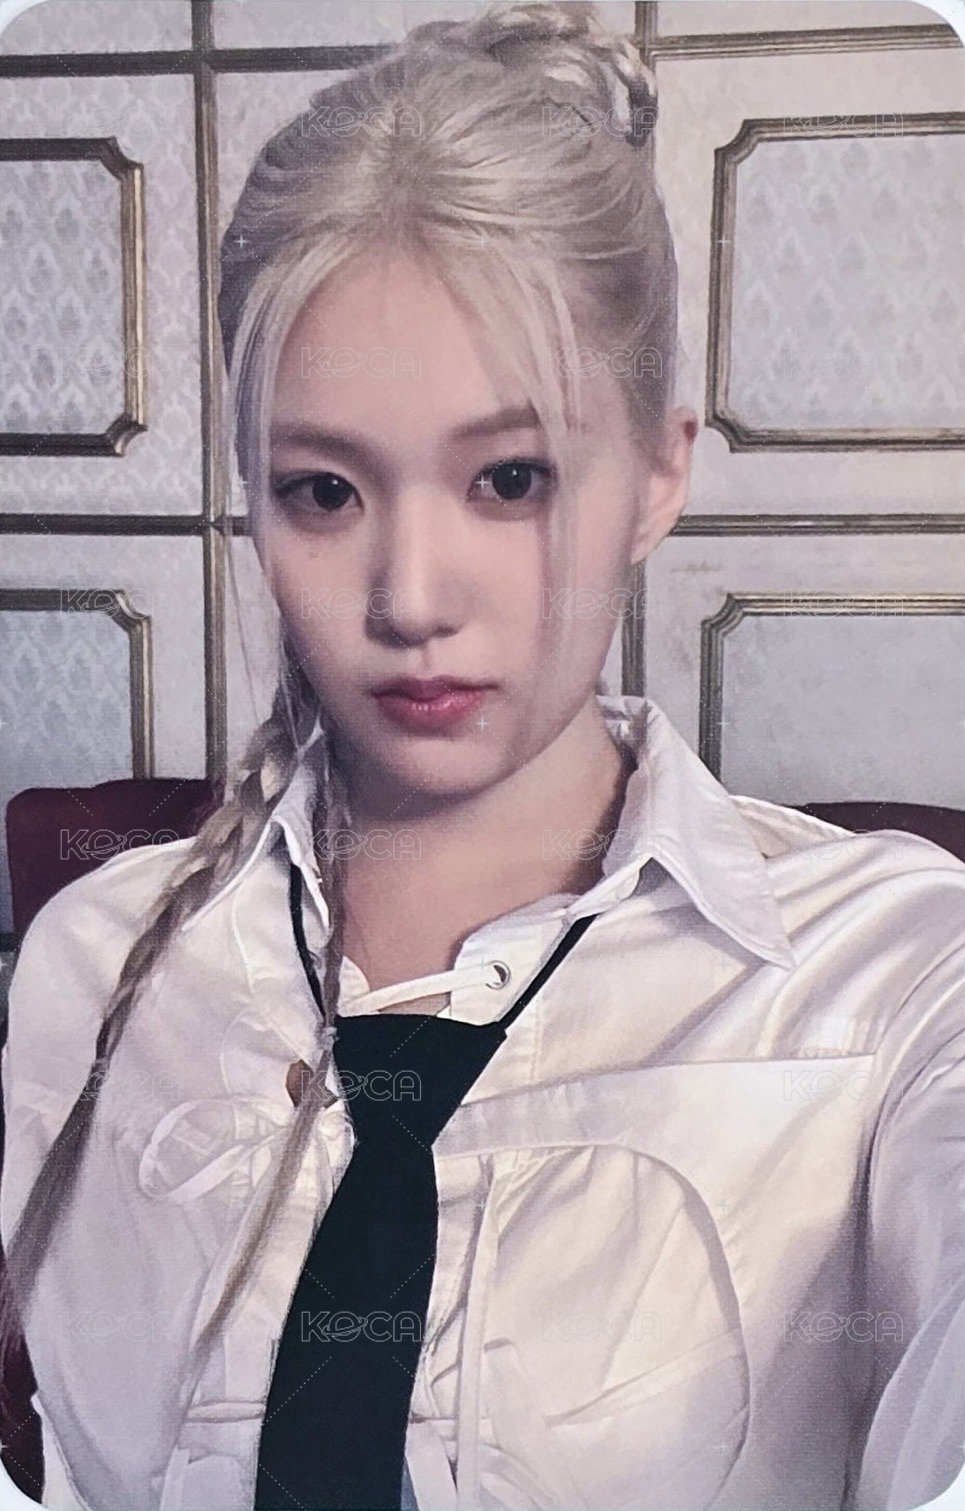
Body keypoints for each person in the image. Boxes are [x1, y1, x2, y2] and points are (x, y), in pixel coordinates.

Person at [2, 4, 965, 1509]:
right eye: (324, 492)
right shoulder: (93, 969)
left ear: (658, 472)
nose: (409, 598)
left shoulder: (896, 977)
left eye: (508, 479)